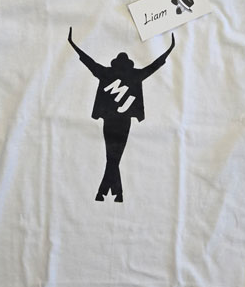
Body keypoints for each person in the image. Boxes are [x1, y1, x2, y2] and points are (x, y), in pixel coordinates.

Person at [68, 26, 175, 202]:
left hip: (109, 119)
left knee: (112, 156)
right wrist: (168, 51)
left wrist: (74, 45)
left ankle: (105, 193)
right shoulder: (135, 75)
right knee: (114, 157)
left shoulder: (106, 73)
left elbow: (90, 62)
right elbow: (153, 66)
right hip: (125, 120)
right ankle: (114, 194)